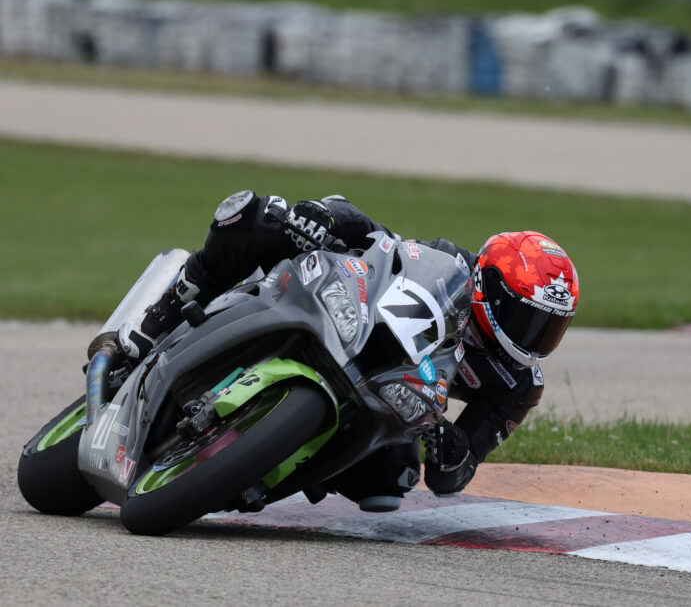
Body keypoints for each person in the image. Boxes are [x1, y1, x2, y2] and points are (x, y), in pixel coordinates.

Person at [115, 190, 579, 512]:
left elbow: (452, 476)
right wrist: (325, 217)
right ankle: (161, 317)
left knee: (392, 482)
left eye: (550, 327)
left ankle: (266, 461)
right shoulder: (451, 265)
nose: (536, 337)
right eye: (529, 319)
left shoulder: (518, 384)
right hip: (347, 322)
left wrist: (451, 447)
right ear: (492, 289)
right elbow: (382, 238)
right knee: (252, 217)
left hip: (392, 393)